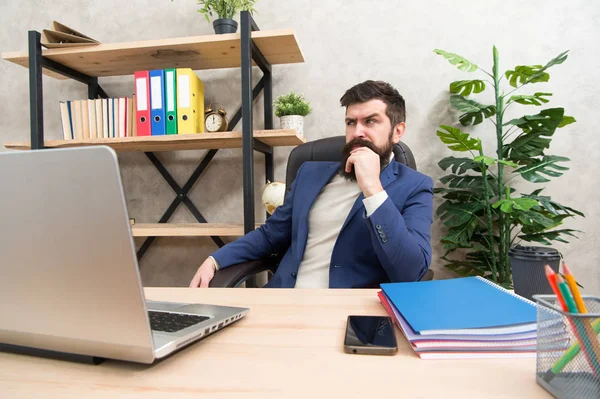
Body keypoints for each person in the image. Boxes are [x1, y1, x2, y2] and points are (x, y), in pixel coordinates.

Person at [190, 80, 433, 289]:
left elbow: (410, 271)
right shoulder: (310, 173)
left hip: (352, 315)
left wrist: (373, 189)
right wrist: (216, 259)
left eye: (370, 121)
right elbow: (270, 236)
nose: (358, 132)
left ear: (397, 131)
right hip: (286, 299)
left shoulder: (415, 186)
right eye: (351, 122)